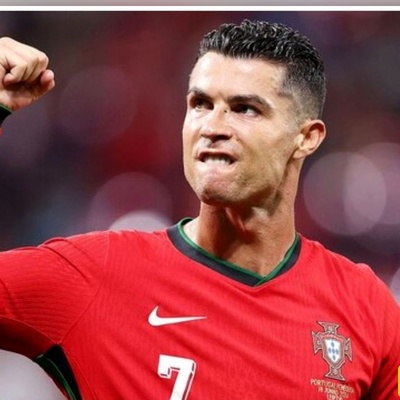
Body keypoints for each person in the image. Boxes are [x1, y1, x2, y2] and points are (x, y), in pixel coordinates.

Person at [0, 19, 398, 400]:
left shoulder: (365, 307)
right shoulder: (97, 276)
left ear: (306, 137)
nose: (212, 126)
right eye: (201, 104)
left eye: (245, 109)